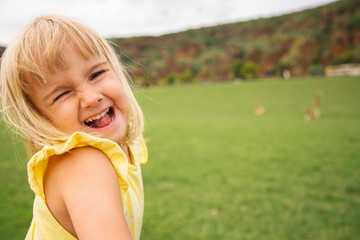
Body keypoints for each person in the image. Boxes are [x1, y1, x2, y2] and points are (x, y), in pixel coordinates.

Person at [1, 15, 147, 240]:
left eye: (96, 74)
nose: (91, 97)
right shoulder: (84, 164)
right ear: (38, 117)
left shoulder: (125, 145)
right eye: (63, 94)